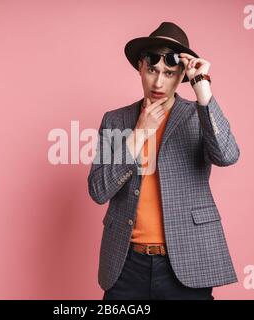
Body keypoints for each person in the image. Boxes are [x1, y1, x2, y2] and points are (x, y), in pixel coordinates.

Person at [87, 22, 240, 300]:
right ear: (140, 69)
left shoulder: (198, 115)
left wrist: (202, 88)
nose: (158, 83)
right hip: (125, 265)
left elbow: (227, 155)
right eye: (152, 71)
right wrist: (138, 135)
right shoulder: (116, 120)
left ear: (181, 74)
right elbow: (98, 190)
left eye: (169, 73)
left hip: (187, 260)